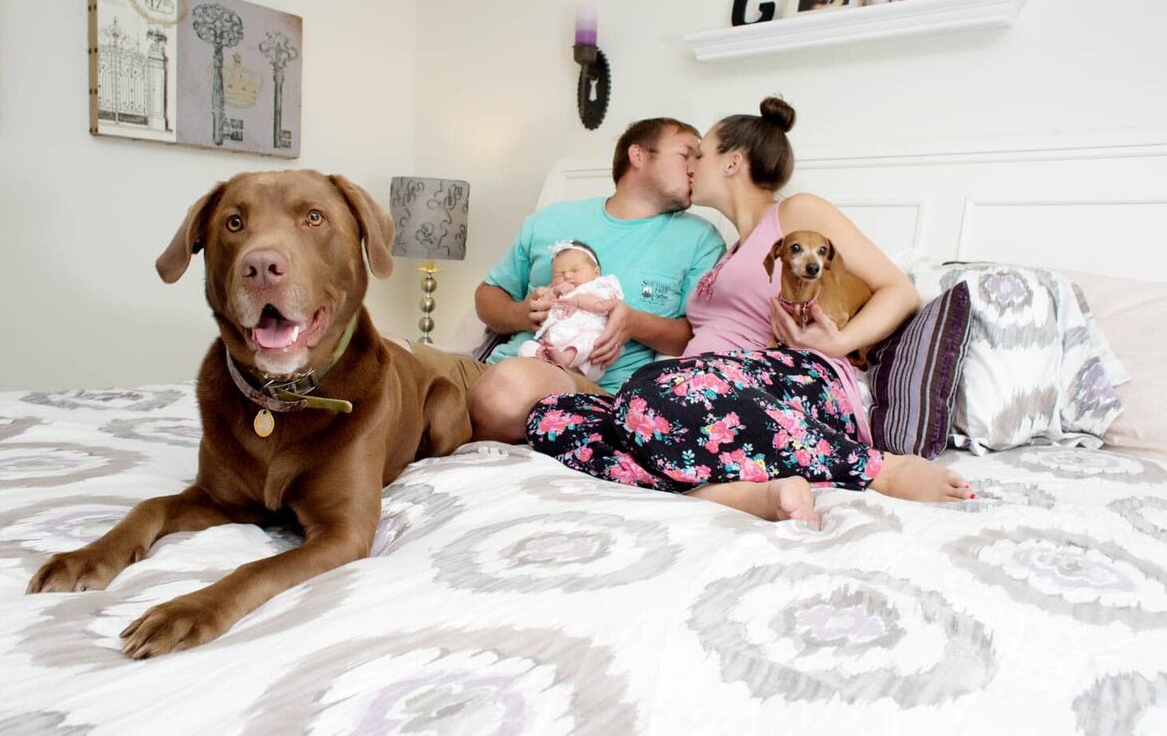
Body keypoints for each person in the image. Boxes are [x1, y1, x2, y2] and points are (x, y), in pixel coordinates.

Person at [526, 96, 974, 529]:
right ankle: (739, 495)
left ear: (732, 163)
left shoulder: (796, 214)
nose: (690, 166)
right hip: (698, 394)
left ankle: (881, 470)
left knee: (646, 391)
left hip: (791, 387)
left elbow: (898, 290)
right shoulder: (728, 253)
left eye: (698, 155)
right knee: (552, 416)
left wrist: (837, 341)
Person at [409, 117, 728, 442]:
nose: (694, 168)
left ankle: (444, 433)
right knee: (385, 355)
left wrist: (633, 323)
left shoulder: (700, 239)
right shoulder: (551, 220)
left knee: (506, 391)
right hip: (492, 366)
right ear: (639, 155)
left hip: (584, 385)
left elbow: (697, 336)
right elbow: (488, 295)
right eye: (686, 154)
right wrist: (520, 313)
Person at [517, 240, 624, 381]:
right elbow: (540, 313)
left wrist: (577, 300)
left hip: (587, 357)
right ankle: (547, 363)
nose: (567, 276)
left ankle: (565, 360)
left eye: (575, 270)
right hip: (553, 346)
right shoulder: (556, 292)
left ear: (596, 271)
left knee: (592, 341)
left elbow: (602, 306)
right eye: (559, 274)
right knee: (525, 348)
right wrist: (553, 293)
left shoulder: (600, 286)